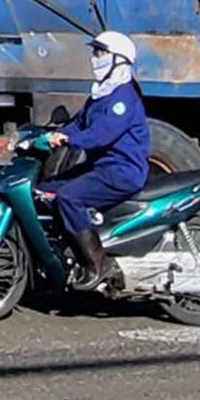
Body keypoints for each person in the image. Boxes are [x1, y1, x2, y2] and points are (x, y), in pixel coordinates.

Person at [40, 29, 153, 276]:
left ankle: (99, 264)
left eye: (101, 52)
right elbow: (80, 123)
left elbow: (103, 133)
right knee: (47, 189)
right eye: (95, 52)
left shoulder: (124, 96)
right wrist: (50, 136)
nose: (95, 58)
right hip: (101, 167)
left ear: (118, 60)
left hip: (122, 170)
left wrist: (70, 139)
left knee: (70, 197)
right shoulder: (102, 93)